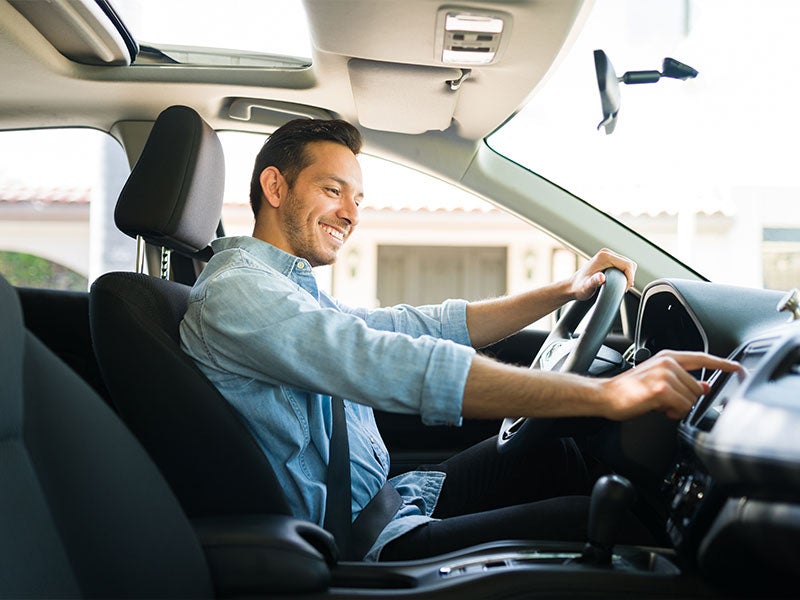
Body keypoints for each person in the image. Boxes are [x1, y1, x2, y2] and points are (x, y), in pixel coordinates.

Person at [179, 118, 739, 561]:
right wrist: (607, 395)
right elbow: (384, 361)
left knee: (559, 457)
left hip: (389, 500)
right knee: (599, 521)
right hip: (359, 542)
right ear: (274, 186)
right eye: (333, 190)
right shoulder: (238, 294)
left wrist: (564, 291)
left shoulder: (286, 289)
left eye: (358, 200)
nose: (350, 214)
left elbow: (413, 327)